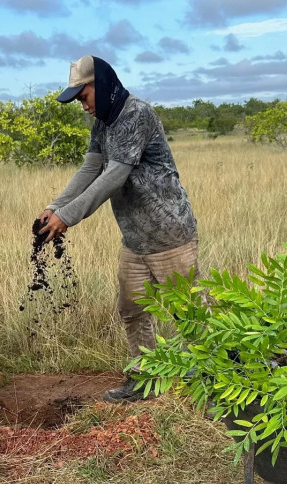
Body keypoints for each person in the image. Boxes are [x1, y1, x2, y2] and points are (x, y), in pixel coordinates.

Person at [37, 55, 199, 403]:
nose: (84, 107)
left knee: (190, 315)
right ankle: (145, 378)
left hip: (169, 235)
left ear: (102, 84)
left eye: (84, 97)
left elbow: (114, 176)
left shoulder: (136, 114)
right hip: (135, 238)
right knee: (132, 310)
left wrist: (68, 217)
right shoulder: (103, 122)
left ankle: (216, 384)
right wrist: (54, 207)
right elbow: (90, 168)